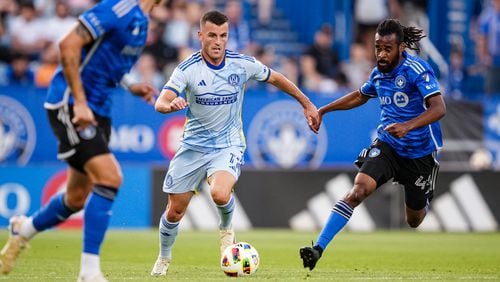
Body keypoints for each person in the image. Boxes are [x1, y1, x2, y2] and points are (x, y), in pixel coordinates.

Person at [150, 10, 320, 276]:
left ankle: (226, 233)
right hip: (193, 146)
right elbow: (161, 101)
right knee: (174, 211)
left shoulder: (241, 64)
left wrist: (307, 103)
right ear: (200, 36)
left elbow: (276, 77)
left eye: (223, 36)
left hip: (228, 143)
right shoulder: (188, 69)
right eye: (212, 35)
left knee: (220, 193)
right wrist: (169, 105)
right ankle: (164, 257)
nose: (218, 41)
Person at [0, 0, 161, 280]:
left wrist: (131, 85)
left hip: (100, 110)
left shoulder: (143, 21)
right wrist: (81, 103)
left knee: (76, 197)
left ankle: (23, 229)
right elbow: (68, 45)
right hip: (72, 104)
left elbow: (108, 61)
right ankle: (89, 273)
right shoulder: (117, 8)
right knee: (110, 178)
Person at [299, 19, 446, 271]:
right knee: (358, 190)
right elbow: (359, 95)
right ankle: (318, 248)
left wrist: (408, 126)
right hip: (388, 144)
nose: (381, 53)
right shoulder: (378, 73)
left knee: (414, 220)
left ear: (401, 48)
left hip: (419, 152)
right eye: (377, 47)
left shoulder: (417, 70)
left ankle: (423, 195)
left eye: (387, 48)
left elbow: (439, 108)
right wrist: (324, 110)